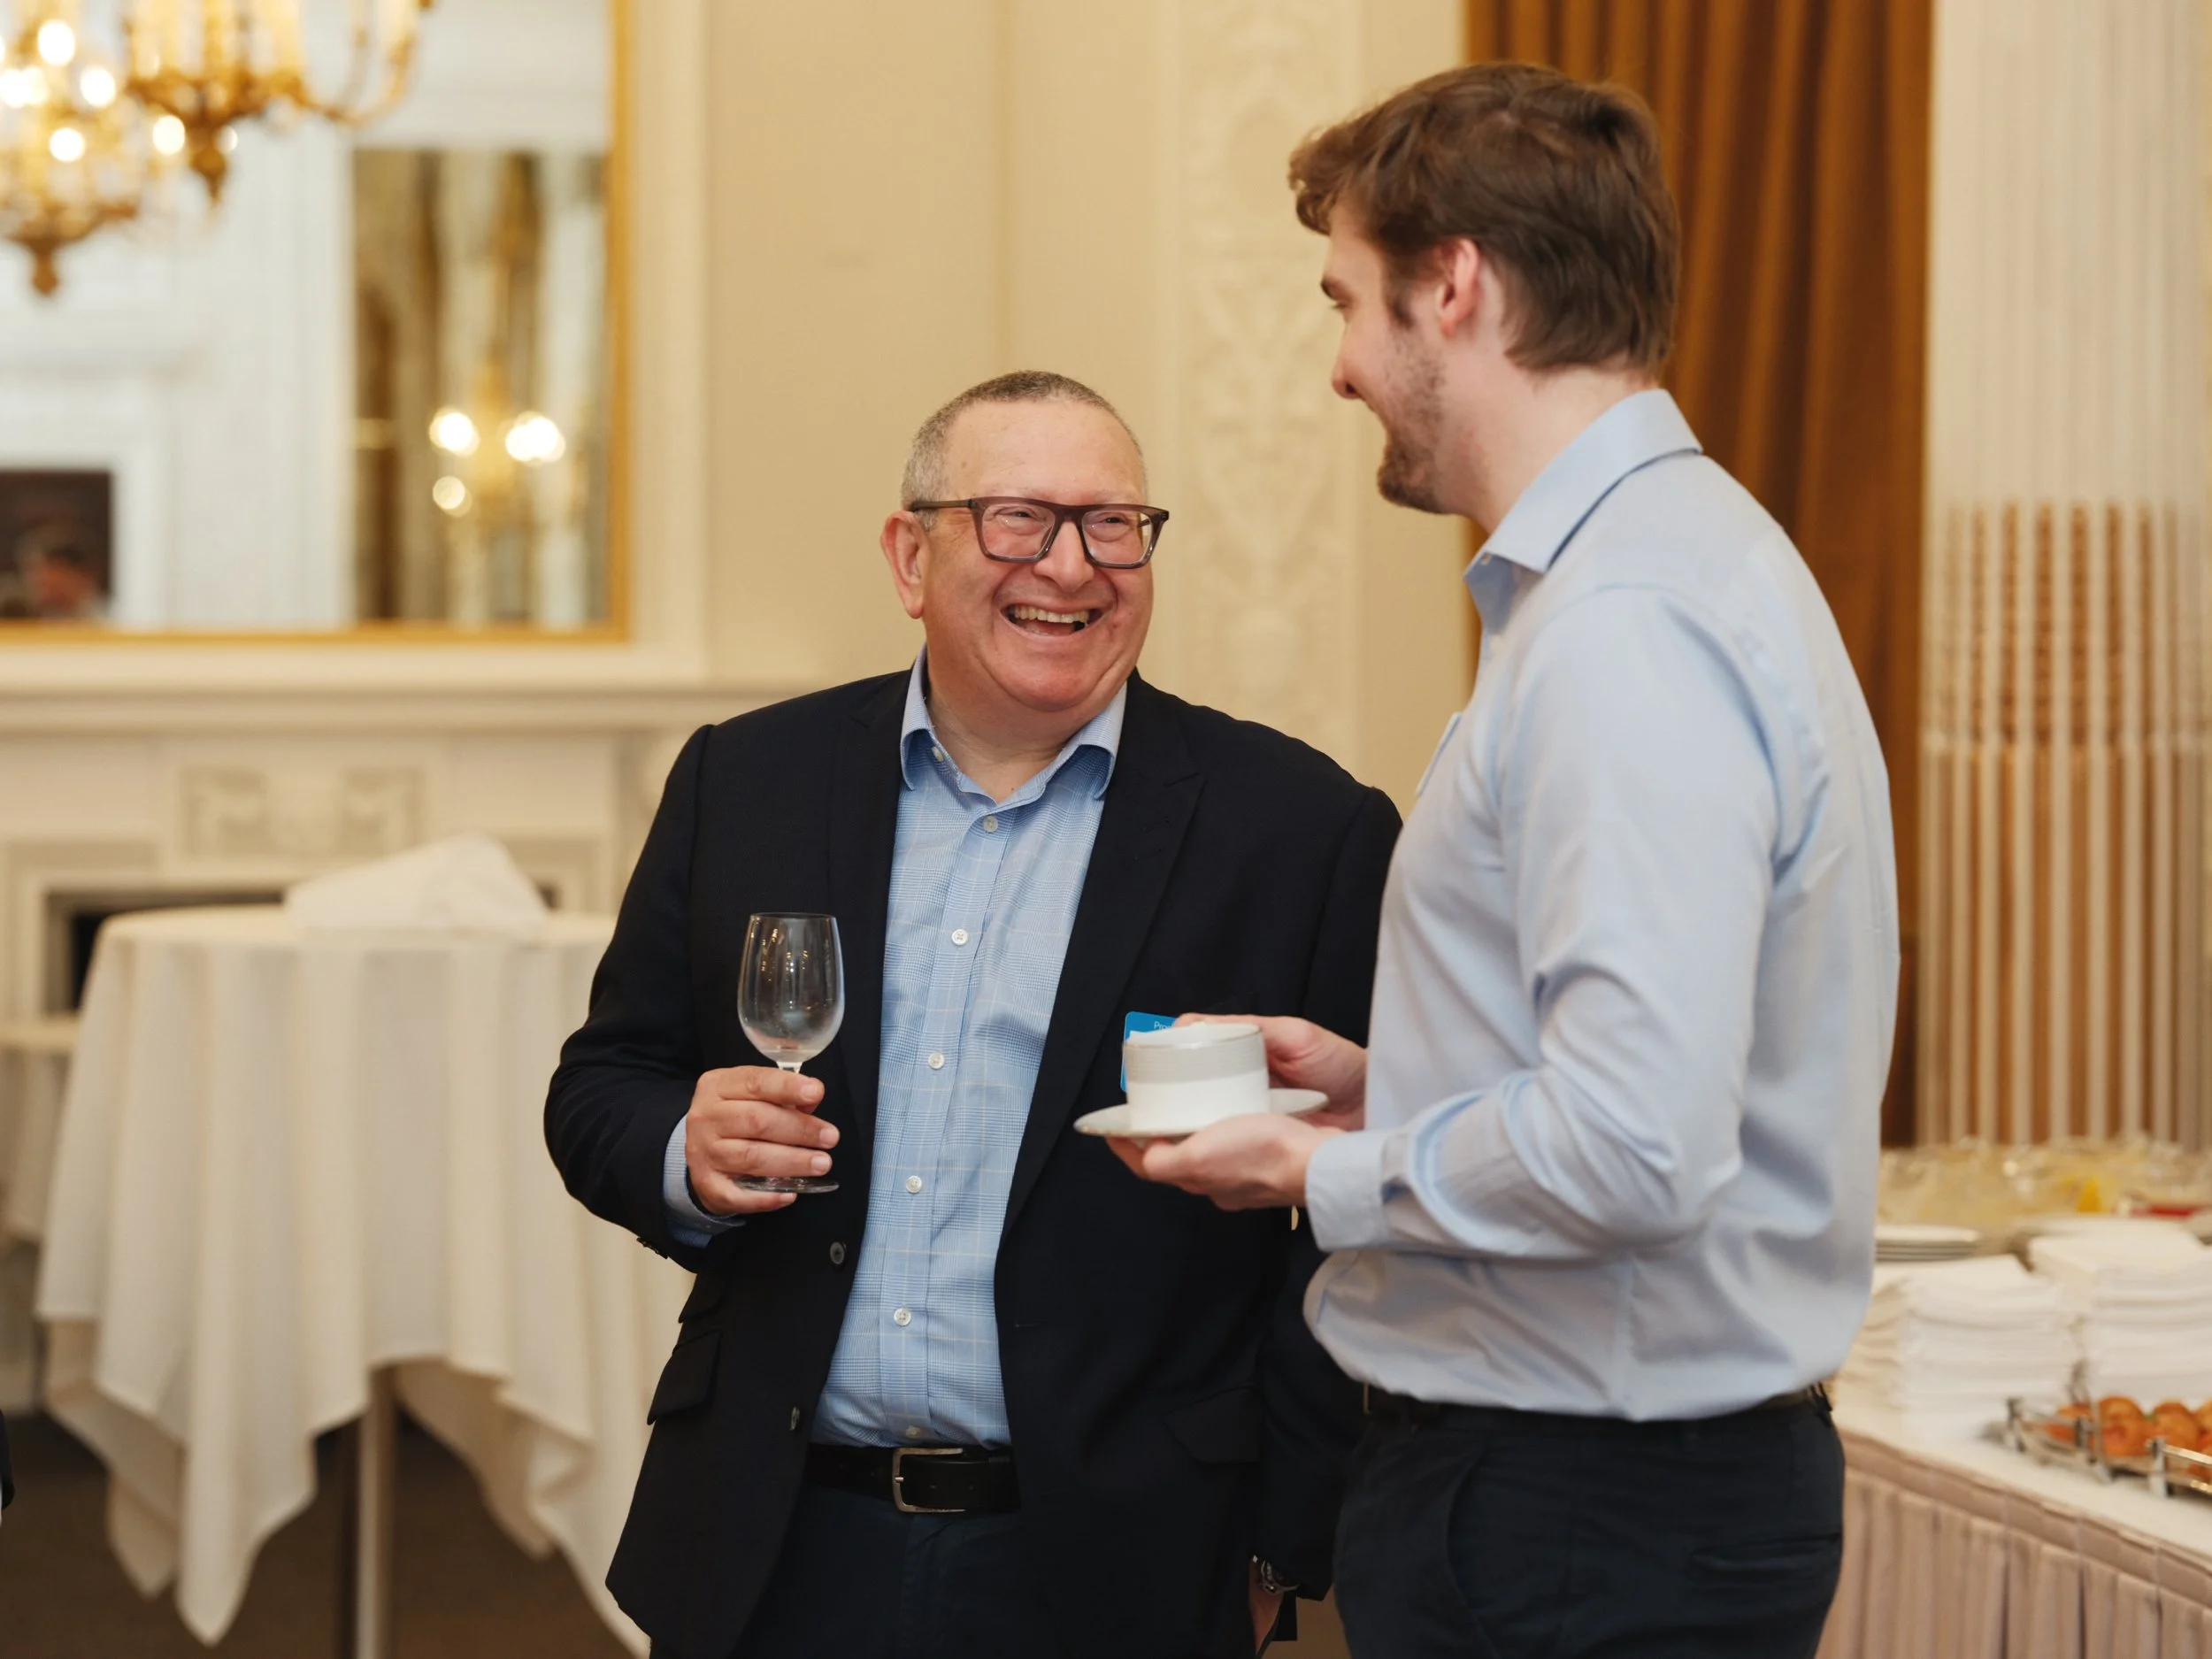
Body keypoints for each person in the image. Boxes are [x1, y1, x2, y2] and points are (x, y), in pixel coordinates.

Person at [1113, 64, 1899, 1659]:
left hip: (1580, 1513)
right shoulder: (1656, 568)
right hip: (1597, 1498)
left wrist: (1317, 1170)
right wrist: (1398, 1084)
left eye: (1348, 301)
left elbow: (1633, 1143)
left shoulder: (1624, 628)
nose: (1339, 369)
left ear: (1453, 285)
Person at [546, 371, 1400, 1659]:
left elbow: (1353, 1221)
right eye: (1017, 519)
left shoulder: (1299, 829)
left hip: (1127, 1560)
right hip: (776, 1542)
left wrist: (1284, 1537)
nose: (1072, 564)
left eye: (1115, 524)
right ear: (911, 552)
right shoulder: (750, 779)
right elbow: (603, 1082)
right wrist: (685, 1149)